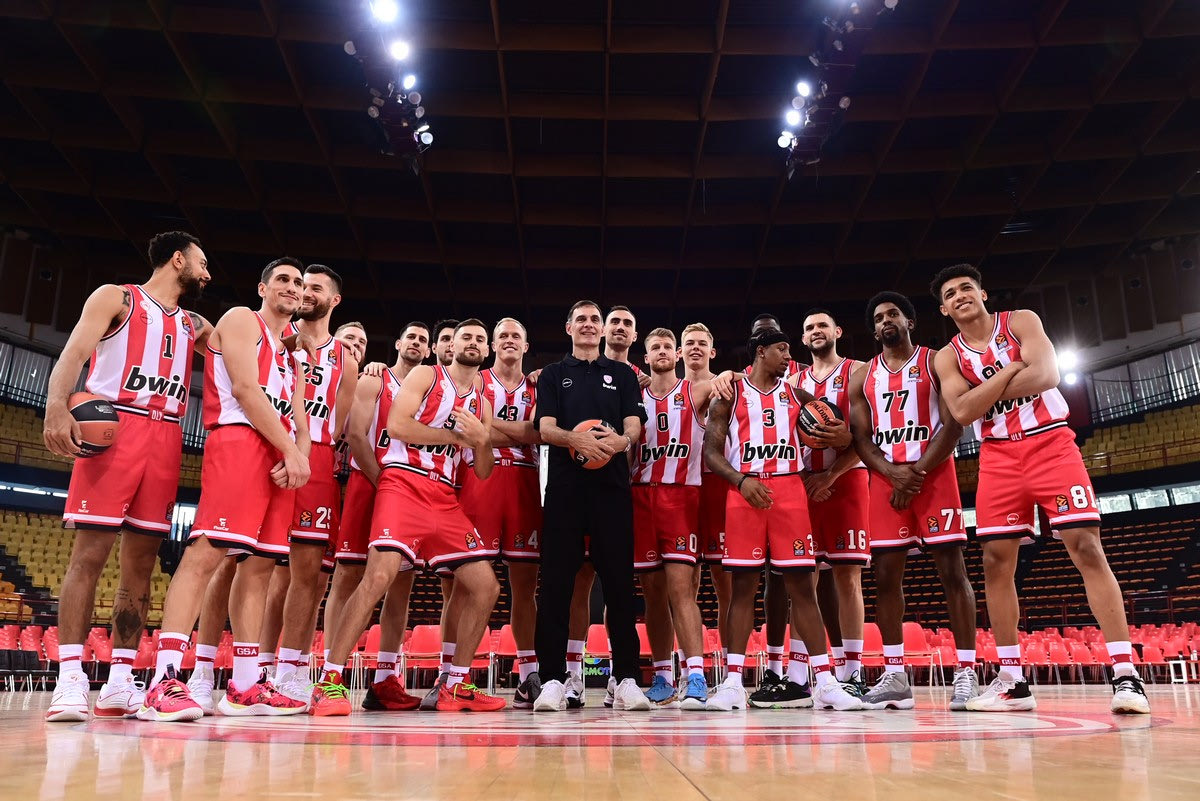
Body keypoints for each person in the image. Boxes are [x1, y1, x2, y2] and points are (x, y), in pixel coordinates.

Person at [931, 263, 1150, 715]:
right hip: (997, 456)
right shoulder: (946, 356)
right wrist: (1011, 370)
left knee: (1086, 547)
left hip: (1051, 442)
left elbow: (1047, 375)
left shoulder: (1021, 321)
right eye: (950, 294)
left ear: (982, 293)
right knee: (995, 562)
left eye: (966, 287)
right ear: (944, 309)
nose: (959, 295)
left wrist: (983, 391)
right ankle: (1013, 682)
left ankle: (1126, 674)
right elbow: (963, 412)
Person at [43, 231, 212, 722]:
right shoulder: (117, 298)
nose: (207, 274)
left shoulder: (194, 324)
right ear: (177, 259)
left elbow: (253, 353)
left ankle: (121, 680)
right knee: (89, 556)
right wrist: (56, 406)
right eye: (202, 264)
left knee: (141, 565)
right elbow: (73, 354)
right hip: (115, 425)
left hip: (168, 435)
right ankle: (70, 678)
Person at [137, 257, 312, 721]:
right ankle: (163, 679)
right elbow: (246, 391)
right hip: (239, 441)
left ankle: (245, 685)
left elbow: (300, 420)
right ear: (262, 288)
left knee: (260, 567)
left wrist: (298, 456)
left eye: (298, 283)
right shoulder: (241, 320)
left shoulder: (291, 356)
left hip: (279, 455)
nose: (292, 287)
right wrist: (291, 452)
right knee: (206, 554)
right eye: (283, 279)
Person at [309, 319, 506, 714]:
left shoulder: (482, 404)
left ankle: (456, 684)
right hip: (403, 482)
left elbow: (483, 470)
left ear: (487, 351)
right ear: (449, 347)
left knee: (486, 587)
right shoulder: (426, 376)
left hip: (445, 495)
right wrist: (457, 437)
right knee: (377, 578)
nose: (472, 343)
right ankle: (328, 681)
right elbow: (397, 426)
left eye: (479, 339)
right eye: (465, 337)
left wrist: (483, 441)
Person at [703, 328, 862, 712]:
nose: (789, 356)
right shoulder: (729, 394)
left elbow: (847, 439)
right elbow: (711, 452)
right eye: (782, 349)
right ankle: (732, 683)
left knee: (803, 588)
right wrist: (740, 481)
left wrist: (841, 439)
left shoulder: (799, 396)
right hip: (746, 492)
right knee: (743, 589)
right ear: (760, 352)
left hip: (790, 492)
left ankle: (825, 682)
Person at [847, 292, 979, 712]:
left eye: (893, 314)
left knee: (953, 573)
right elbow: (861, 439)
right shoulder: (862, 377)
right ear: (874, 330)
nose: (886, 321)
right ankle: (896, 676)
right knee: (886, 579)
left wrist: (915, 473)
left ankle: (966, 672)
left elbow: (954, 423)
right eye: (879, 318)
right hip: (887, 481)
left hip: (933, 476)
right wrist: (892, 474)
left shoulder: (936, 361)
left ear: (910, 321)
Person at [525, 300, 650, 712]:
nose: (589, 324)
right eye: (581, 319)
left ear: (602, 329)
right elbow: (544, 428)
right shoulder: (552, 375)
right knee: (556, 587)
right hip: (564, 492)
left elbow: (634, 423)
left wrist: (621, 441)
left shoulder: (623, 374)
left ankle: (626, 678)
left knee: (620, 585)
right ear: (569, 328)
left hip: (611, 491)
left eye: (595, 319)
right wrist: (574, 439)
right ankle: (552, 680)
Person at [755, 309, 870, 708]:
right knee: (803, 580)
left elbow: (866, 437)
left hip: (847, 480)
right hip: (803, 485)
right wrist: (808, 479)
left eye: (822, 325)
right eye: (808, 328)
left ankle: (852, 673)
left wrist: (831, 475)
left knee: (847, 577)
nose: (816, 331)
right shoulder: (792, 382)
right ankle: (800, 676)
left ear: (837, 331)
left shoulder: (859, 371)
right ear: (802, 340)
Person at [261, 265, 359, 705]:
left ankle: (289, 670)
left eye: (315, 287)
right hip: (270, 447)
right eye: (302, 284)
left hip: (317, 458)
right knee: (247, 564)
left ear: (334, 300)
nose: (305, 292)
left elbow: (340, 426)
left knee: (307, 575)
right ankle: (241, 669)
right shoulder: (275, 335)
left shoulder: (345, 358)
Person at [322, 322, 431, 711]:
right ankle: (330, 675)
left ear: (429, 351)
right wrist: (383, 482)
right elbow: (355, 435)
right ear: (398, 343)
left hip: (408, 489)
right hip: (370, 482)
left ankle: (385, 679)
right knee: (347, 577)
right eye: (411, 337)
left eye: (423, 340)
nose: (416, 343)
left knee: (401, 584)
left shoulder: (431, 390)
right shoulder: (375, 379)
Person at [458, 318, 544, 708]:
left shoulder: (539, 386)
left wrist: (490, 427)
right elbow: (471, 432)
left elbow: (539, 433)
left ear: (526, 346)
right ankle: (452, 674)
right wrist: (517, 430)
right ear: (493, 345)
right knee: (465, 586)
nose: (509, 341)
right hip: (480, 480)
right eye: (503, 336)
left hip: (525, 485)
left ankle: (529, 676)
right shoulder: (475, 381)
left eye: (516, 336)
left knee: (525, 588)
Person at [633, 328, 714, 709]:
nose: (662, 351)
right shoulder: (633, 397)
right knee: (652, 594)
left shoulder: (696, 391)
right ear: (646, 357)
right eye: (656, 347)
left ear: (677, 354)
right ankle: (663, 676)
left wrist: (730, 375)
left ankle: (696, 674)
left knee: (682, 590)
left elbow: (737, 381)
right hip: (639, 497)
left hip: (681, 497)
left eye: (668, 346)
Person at [681, 324, 731, 661]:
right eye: (689, 343)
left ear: (712, 352)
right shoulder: (666, 389)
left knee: (725, 583)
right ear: (680, 352)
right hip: (681, 489)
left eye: (702, 343)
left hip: (716, 486)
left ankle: (730, 668)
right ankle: (689, 667)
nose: (695, 348)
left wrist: (731, 374)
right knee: (684, 586)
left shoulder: (726, 386)